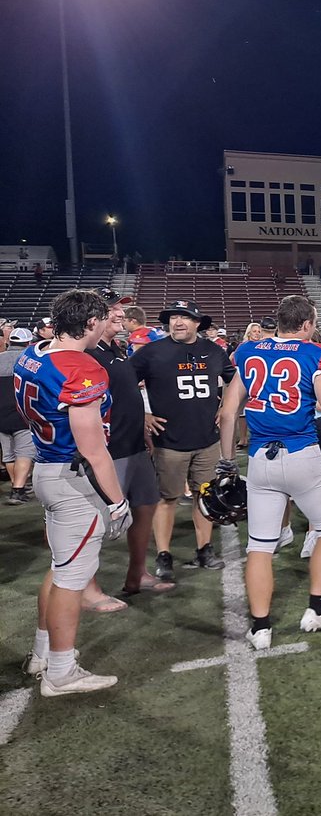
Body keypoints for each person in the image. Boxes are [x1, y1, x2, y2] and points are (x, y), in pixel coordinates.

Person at [217, 294, 321, 648]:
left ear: (278, 322)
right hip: (302, 454)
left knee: (260, 547)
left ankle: (261, 628)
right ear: (308, 324)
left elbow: (227, 412)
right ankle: (317, 609)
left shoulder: (249, 351)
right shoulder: (315, 354)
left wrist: (226, 461)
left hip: (261, 459)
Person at [16, 290, 133, 696]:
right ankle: (61, 672)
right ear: (88, 324)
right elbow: (93, 449)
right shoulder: (81, 367)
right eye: (102, 318)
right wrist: (117, 501)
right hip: (73, 478)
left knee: (60, 567)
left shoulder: (34, 353)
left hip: (48, 467)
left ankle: (41, 652)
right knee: (71, 578)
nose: (107, 324)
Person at [131, 299, 235, 580]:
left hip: (207, 440)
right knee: (167, 499)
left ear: (198, 323)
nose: (178, 322)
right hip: (169, 442)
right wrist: (143, 415)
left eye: (185, 317)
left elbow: (235, 380)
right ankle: (164, 554)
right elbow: (122, 384)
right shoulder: (151, 352)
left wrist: (226, 406)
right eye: (174, 317)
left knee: (205, 497)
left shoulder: (213, 351)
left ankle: (205, 549)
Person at [87, 288, 175, 598]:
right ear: (92, 316)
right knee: (96, 521)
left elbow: (126, 394)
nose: (120, 314)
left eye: (121, 308)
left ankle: (137, 574)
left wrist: (143, 423)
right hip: (108, 451)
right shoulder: (84, 352)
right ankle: (88, 587)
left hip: (134, 443)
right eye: (112, 309)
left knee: (145, 506)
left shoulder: (117, 348)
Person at [1, 327, 36, 504]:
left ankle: (17, 484)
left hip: (0, 415)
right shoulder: (28, 361)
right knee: (24, 452)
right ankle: (17, 489)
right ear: (28, 343)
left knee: (8, 453)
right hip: (21, 413)